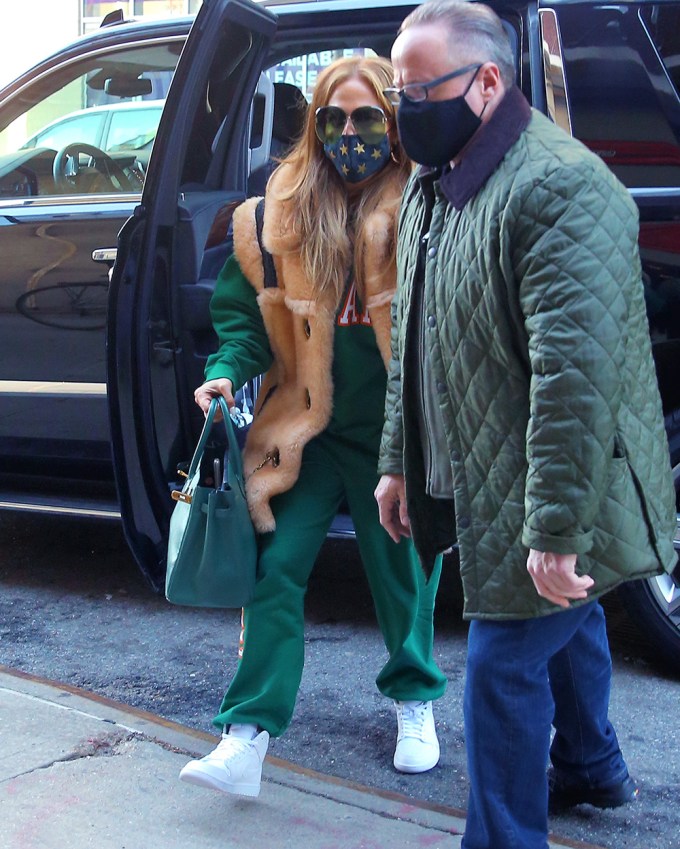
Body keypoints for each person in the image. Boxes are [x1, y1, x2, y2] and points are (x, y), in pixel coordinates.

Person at [374, 2, 678, 847]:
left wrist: (554, 528)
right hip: (493, 462)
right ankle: (592, 764)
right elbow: (416, 335)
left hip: (560, 475)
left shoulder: (561, 188)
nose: (404, 110)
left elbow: (572, 381)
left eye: (417, 89)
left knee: (504, 669)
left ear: (489, 81)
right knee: (572, 614)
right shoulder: (436, 181)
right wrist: (397, 459)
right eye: (398, 89)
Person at [179, 55, 447, 799]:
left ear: (391, 125)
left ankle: (415, 698)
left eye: (367, 118)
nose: (350, 134)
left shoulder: (424, 205)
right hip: (305, 424)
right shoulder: (278, 216)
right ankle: (247, 734)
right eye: (334, 119)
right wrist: (228, 369)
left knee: (403, 573)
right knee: (275, 568)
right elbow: (243, 318)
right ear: (315, 125)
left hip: (392, 430)